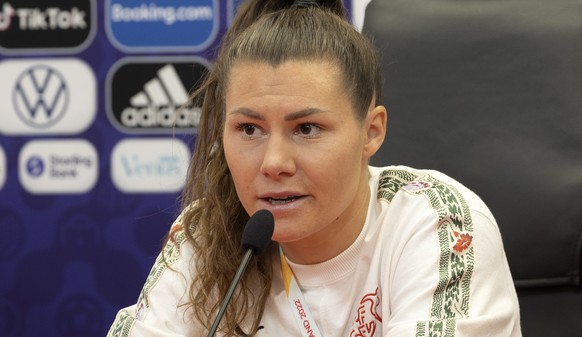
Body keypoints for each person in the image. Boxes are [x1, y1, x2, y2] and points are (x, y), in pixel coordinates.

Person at [107, 0, 522, 336]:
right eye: (249, 129)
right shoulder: (206, 233)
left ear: (371, 131)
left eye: (306, 128)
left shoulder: (437, 221)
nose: (273, 163)